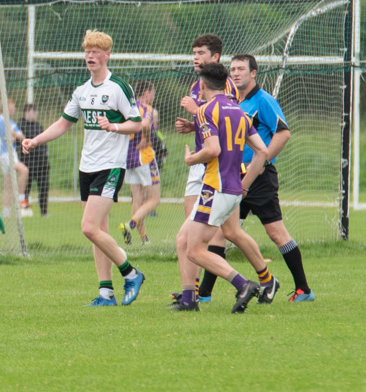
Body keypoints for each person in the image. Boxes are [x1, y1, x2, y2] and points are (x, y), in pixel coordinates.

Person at [22, 30, 146, 307]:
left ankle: (131, 273)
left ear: (107, 55)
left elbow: (137, 123)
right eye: (87, 51)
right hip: (86, 167)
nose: (90, 55)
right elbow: (63, 124)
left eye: (96, 51)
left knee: (89, 227)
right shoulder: (82, 90)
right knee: (98, 230)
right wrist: (36, 139)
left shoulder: (118, 88)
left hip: (111, 167)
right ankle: (105, 293)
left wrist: (114, 126)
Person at [165, 62, 271, 313]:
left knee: (194, 250)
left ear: (202, 85)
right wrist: (245, 186)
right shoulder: (239, 111)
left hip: (215, 188)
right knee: (183, 239)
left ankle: (243, 284)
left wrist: (191, 159)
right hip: (232, 190)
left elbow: (213, 150)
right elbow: (263, 151)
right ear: (226, 84)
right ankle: (189, 300)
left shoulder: (205, 111)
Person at [230, 54, 313, 302]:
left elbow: (283, 133)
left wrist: (261, 162)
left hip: (260, 178)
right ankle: (202, 295)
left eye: (241, 69)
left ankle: (304, 290)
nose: (235, 73)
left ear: (253, 72)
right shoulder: (232, 101)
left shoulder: (264, 100)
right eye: (232, 69)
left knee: (276, 233)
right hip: (235, 175)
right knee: (223, 232)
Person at [173, 34, 241, 303]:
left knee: (225, 232)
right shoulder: (195, 84)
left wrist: (196, 107)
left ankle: (259, 279)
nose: (195, 57)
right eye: (194, 52)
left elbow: (228, 115)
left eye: (201, 52)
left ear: (215, 57)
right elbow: (209, 122)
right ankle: (191, 291)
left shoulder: (226, 86)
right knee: (191, 233)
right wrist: (191, 126)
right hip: (200, 163)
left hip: (218, 165)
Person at [118, 80, 161, 246]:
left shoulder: (128, 108)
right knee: (154, 199)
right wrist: (146, 138)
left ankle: (143, 239)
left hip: (128, 159)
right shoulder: (146, 108)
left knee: (138, 198)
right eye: (153, 93)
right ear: (147, 93)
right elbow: (144, 124)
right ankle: (130, 225)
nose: (153, 97)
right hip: (144, 157)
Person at [0, 98, 30, 217]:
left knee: (8, 184)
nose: (14, 109)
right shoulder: (0, 121)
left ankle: (6, 212)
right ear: (6, 108)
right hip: (4, 154)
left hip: (11, 153)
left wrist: (14, 135)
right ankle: (21, 199)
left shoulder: (10, 122)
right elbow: (10, 137)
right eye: (12, 107)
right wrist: (14, 135)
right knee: (24, 170)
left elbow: (21, 136)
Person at [19, 103, 51, 217]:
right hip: (28, 162)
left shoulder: (39, 126)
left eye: (35, 112)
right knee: (26, 188)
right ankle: (24, 209)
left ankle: (44, 212)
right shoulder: (20, 125)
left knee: (44, 187)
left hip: (41, 162)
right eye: (31, 112)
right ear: (26, 113)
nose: (34, 114)